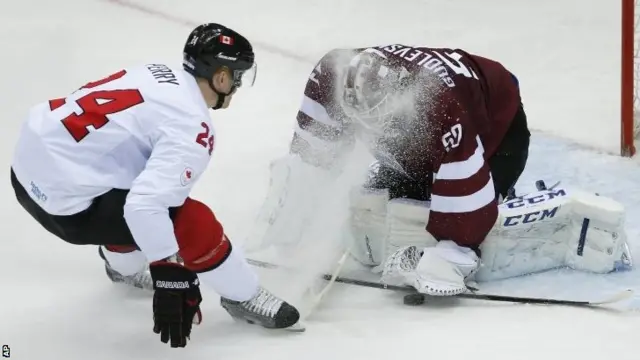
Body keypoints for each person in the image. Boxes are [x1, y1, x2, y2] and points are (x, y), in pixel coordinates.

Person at [251, 44, 632, 299]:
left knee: (473, 224)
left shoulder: (438, 102)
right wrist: (296, 210)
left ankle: (532, 210)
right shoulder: (332, 75)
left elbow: (465, 192)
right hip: (427, 133)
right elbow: (313, 153)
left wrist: (454, 251)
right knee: (389, 200)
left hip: (497, 128)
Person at [10, 23, 300, 348]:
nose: (237, 84)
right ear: (221, 77)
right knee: (190, 220)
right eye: (237, 76)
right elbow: (144, 206)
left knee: (138, 179)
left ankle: (122, 265)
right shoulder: (193, 127)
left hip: (24, 170)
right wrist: (169, 273)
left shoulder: (154, 71)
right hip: (68, 210)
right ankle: (243, 295)